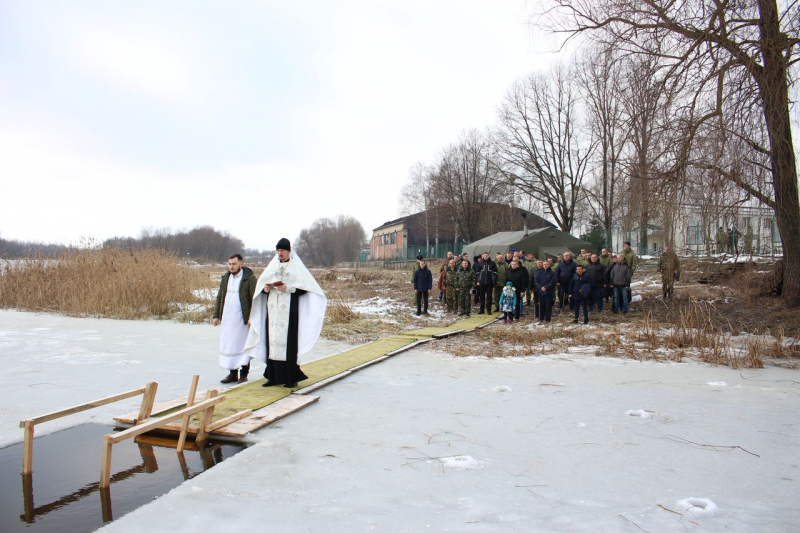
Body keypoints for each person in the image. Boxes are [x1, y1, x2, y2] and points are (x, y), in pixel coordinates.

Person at [245, 238, 327, 388]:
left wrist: (288, 288)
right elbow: (261, 288)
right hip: (273, 311)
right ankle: (273, 377)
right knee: (272, 343)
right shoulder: (272, 266)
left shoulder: (297, 267)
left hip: (289, 312)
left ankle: (290, 378)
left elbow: (305, 288)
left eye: (282, 250)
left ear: (289, 251)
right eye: (278, 251)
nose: (280, 253)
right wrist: (266, 289)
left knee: (288, 345)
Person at [213, 254, 258, 384]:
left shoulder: (249, 279)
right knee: (230, 345)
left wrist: (251, 318)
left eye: (234, 264)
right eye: (230, 264)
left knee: (243, 345)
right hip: (228, 318)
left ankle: (244, 374)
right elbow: (220, 297)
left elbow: (254, 300)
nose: (231, 267)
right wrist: (216, 315)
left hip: (243, 319)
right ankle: (233, 373)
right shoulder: (226, 278)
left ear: (241, 264)